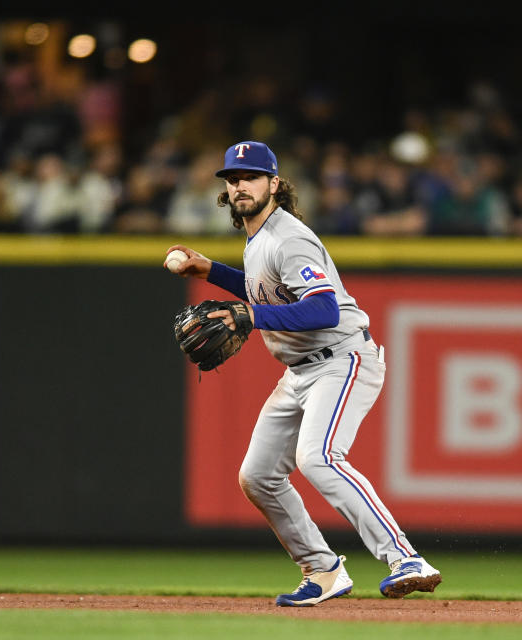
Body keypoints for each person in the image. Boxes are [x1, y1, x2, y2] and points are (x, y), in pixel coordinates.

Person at [166, 141, 441, 606]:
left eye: (251, 177)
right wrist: (210, 269)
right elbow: (267, 288)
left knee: (319, 458)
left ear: (274, 184)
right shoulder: (261, 236)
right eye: (233, 179)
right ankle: (323, 569)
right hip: (300, 373)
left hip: (342, 358)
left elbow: (323, 308)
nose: (240, 186)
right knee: (257, 476)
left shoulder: (288, 236)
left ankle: (405, 558)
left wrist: (249, 317)